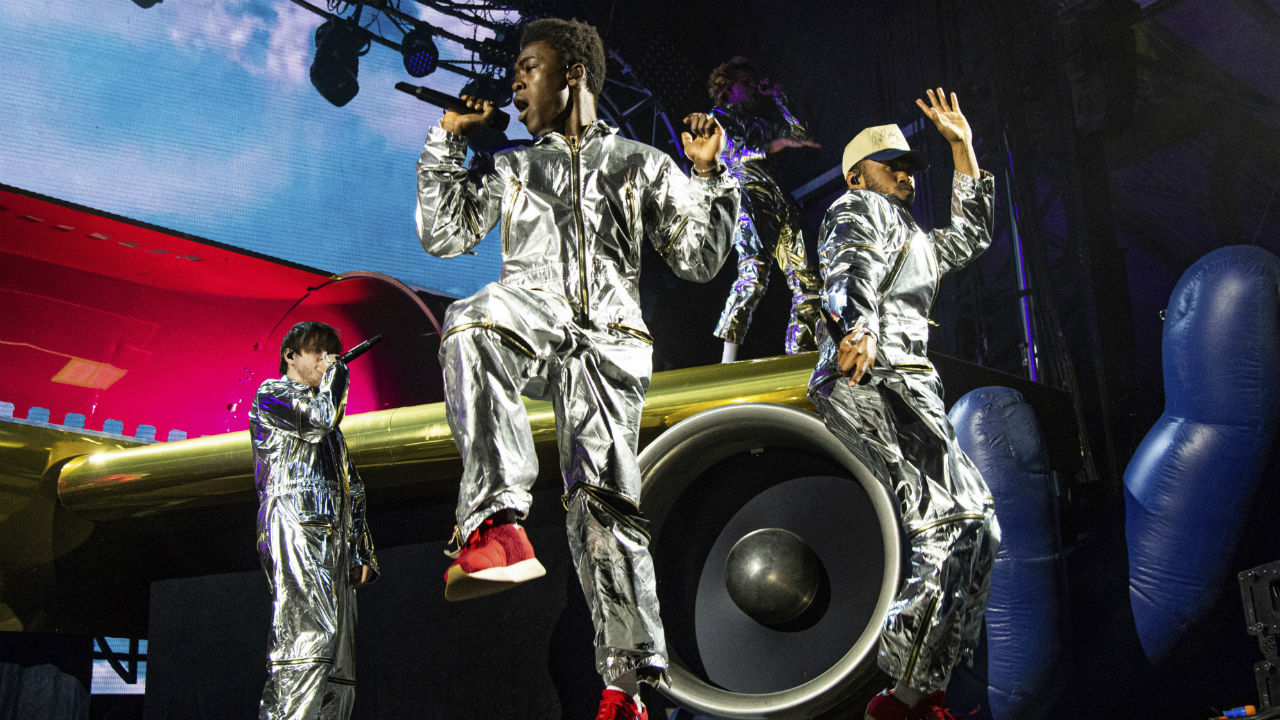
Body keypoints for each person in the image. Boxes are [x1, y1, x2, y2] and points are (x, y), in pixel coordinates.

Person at [414, 17, 738, 720]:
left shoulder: (641, 162)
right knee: (472, 322)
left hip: (613, 339)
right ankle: (498, 525)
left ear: (574, 73)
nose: (515, 83)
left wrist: (710, 174)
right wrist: (448, 138)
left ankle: (627, 689)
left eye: (528, 68)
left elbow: (700, 259)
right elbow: (443, 233)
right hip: (536, 308)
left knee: (605, 511)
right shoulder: (512, 168)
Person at [807, 90, 1000, 720]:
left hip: (909, 377)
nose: (905, 175)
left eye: (911, 167)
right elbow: (848, 266)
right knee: (951, 519)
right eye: (891, 165)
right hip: (874, 372)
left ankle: (921, 693)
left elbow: (972, 235)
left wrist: (962, 148)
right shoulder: (855, 206)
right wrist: (856, 327)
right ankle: (898, 698)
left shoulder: (916, 240)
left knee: (978, 525)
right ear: (857, 175)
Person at [250, 321, 379, 720]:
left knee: (339, 668)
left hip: (335, 545)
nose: (327, 361)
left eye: (332, 354)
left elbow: (353, 487)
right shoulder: (272, 396)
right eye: (319, 353)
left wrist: (361, 552)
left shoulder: (332, 428)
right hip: (297, 533)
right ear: (291, 356)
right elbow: (319, 419)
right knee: (306, 646)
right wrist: (338, 374)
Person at [706, 56, 823, 362]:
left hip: (780, 198)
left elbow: (800, 134)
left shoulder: (760, 122)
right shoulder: (717, 119)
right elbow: (734, 152)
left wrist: (780, 97)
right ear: (727, 87)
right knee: (753, 274)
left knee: (808, 279)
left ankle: (800, 354)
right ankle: (728, 359)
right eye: (745, 82)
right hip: (748, 196)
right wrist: (772, 146)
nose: (753, 87)